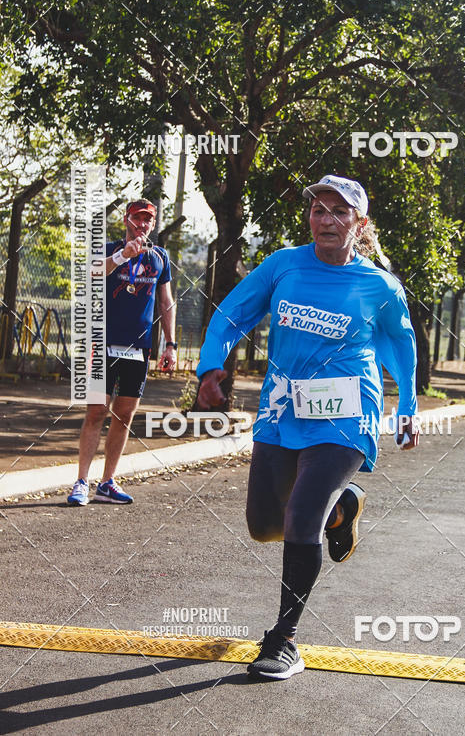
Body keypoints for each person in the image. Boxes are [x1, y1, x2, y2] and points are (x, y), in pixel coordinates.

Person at [195, 174, 419, 680]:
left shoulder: (379, 286)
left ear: (359, 224)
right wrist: (211, 366)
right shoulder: (283, 266)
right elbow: (232, 314)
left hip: (348, 413)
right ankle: (343, 507)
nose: (327, 220)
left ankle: (284, 640)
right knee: (265, 524)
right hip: (283, 410)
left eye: (340, 212)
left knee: (300, 518)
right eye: (319, 210)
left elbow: (400, 349)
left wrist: (407, 404)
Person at [67, 198, 178, 506]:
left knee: (125, 414)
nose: (142, 224)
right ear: (126, 221)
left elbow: (166, 301)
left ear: (153, 225)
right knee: (96, 412)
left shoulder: (160, 258)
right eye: (137, 218)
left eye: (148, 220)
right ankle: (81, 481)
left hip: (138, 347)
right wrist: (121, 256)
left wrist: (170, 344)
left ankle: (107, 482)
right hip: (103, 343)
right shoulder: (107, 249)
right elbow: (92, 273)